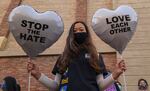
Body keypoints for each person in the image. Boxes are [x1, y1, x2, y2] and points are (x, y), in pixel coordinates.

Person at [27, 21, 126, 91]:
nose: (78, 32)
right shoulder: (63, 57)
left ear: (87, 33)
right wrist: (38, 75)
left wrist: (115, 74)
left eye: (81, 29)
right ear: (71, 34)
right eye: (75, 30)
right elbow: (56, 86)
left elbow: (100, 85)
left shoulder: (96, 55)